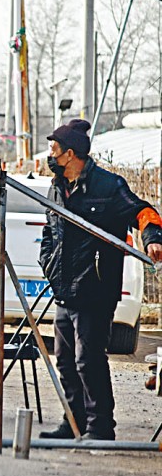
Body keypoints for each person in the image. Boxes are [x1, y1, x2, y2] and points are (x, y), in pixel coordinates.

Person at [37, 118, 162, 441]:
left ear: (70, 154)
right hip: (64, 289)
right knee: (66, 361)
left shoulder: (108, 186)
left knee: (88, 360)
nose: (50, 155)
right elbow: (50, 231)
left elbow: (142, 212)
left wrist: (153, 238)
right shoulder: (57, 187)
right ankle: (74, 424)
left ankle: (100, 427)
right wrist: (48, 262)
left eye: (54, 149)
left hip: (95, 289)